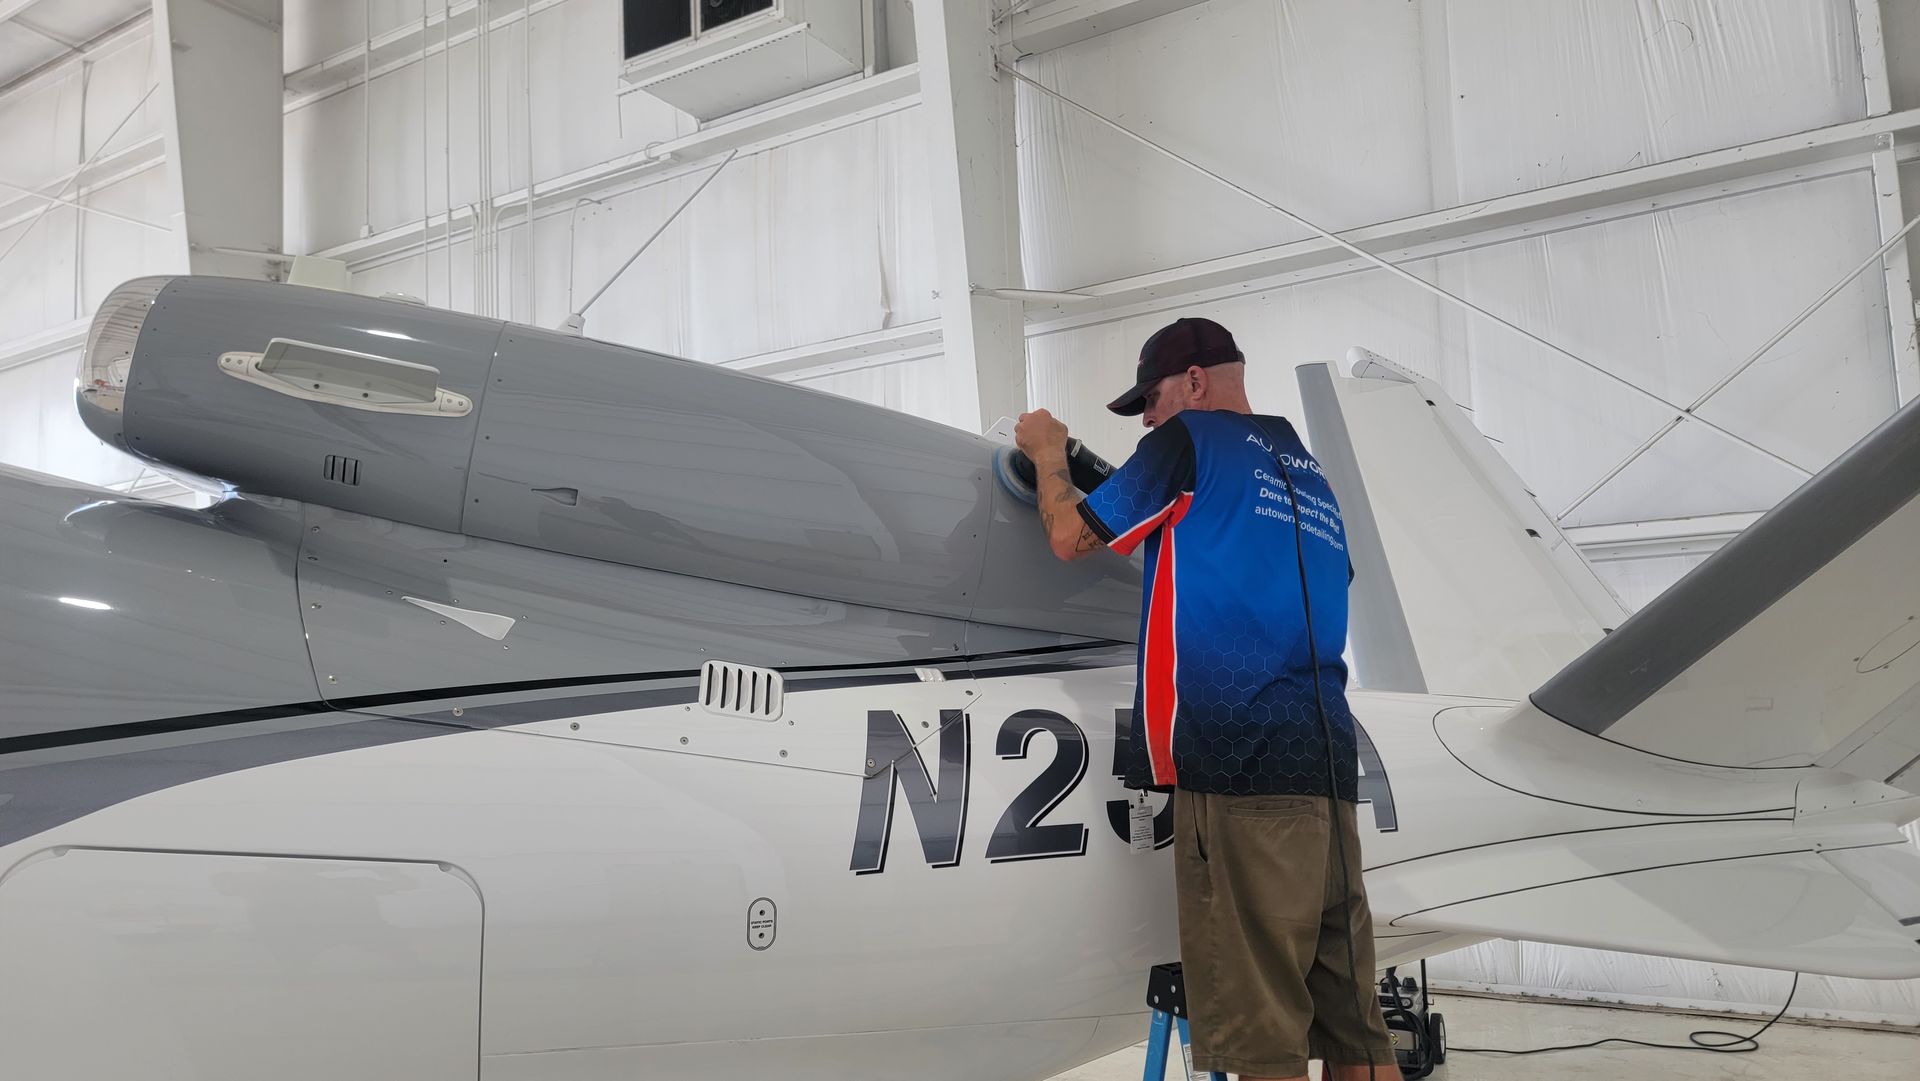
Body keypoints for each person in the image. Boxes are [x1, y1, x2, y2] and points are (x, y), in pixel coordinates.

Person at [1013, 316, 1395, 1081]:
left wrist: (1049, 453)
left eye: (1150, 402)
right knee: (1357, 1034)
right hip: (1328, 771)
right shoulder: (1307, 470)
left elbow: (1068, 536)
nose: (1147, 422)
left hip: (1238, 767)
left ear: (1193, 383)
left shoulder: (1188, 443)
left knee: (1263, 1040)